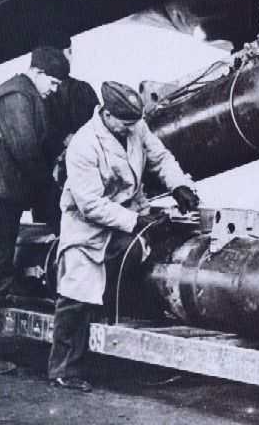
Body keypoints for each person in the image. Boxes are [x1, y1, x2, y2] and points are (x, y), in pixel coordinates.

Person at [47, 81, 200, 392]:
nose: (132, 129)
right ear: (107, 114)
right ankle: (63, 369)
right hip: (87, 225)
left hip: (126, 213)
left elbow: (160, 157)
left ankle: (119, 351)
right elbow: (90, 205)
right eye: (126, 123)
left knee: (141, 263)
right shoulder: (84, 145)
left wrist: (179, 185)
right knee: (77, 289)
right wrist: (135, 220)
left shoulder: (135, 126)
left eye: (135, 123)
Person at [0, 47, 70, 373]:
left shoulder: (22, 94)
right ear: (36, 73)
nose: (53, 89)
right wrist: (50, 195)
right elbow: (26, 149)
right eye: (51, 81)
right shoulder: (18, 95)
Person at [31, 31, 99, 233]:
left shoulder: (32, 93)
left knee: (47, 237)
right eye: (69, 52)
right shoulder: (84, 90)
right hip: (82, 181)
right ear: (63, 55)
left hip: (47, 184)